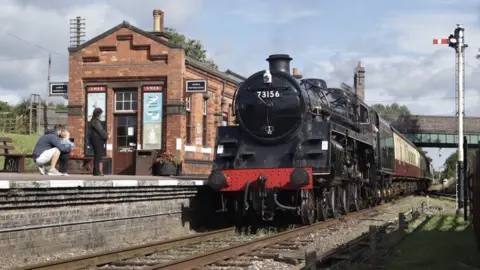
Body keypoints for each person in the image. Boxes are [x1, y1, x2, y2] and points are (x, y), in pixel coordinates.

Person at [89, 107, 109, 176]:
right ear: (98, 114)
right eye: (101, 113)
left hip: (95, 139)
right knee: (98, 155)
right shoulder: (96, 121)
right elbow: (100, 130)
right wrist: (107, 135)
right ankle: (96, 171)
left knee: (97, 155)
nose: (101, 115)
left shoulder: (94, 120)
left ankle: (96, 171)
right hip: (97, 139)